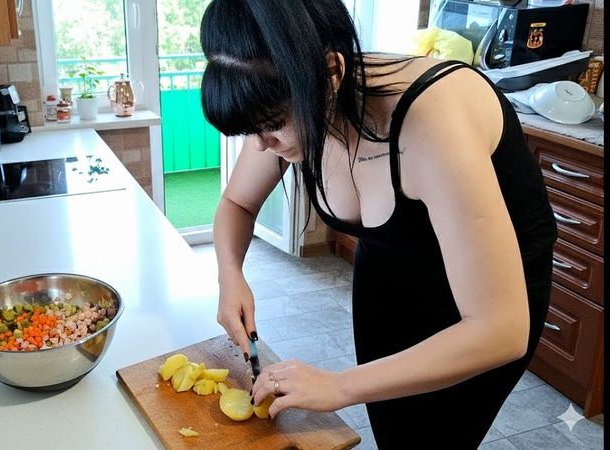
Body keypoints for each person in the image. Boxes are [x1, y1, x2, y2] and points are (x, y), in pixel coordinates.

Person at [200, 0, 557, 448]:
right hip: (392, 264)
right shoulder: (285, 106)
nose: (261, 146)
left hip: (492, 296)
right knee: (393, 422)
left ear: (331, 73)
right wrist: (230, 274)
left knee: (437, 435)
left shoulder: (431, 121)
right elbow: (236, 202)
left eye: (272, 126)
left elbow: (500, 330)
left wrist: (340, 385)